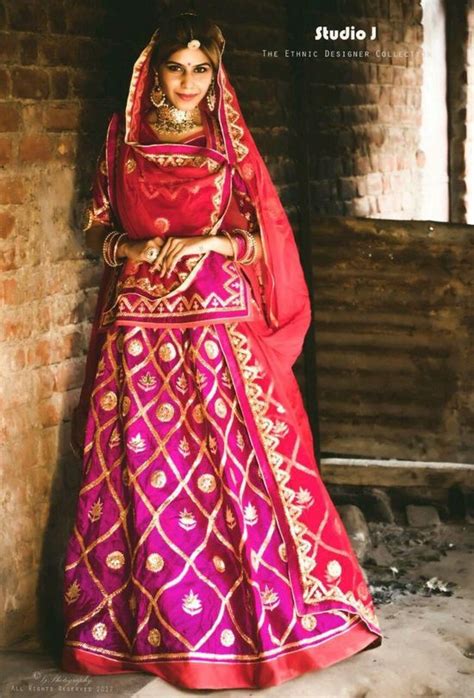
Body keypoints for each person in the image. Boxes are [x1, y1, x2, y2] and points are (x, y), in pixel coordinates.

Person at [61, 11, 382, 690]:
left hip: (215, 324)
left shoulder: (226, 139)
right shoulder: (122, 139)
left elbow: (264, 234)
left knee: (235, 468)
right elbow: (94, 229)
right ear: (152, 74)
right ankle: (158, 632)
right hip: (140, 328)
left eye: (200, 69)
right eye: (176, 68)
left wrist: (209, 243)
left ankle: (259, 623)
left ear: (216, 74)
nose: (187, 82)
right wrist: (132, 248)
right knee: (145, 469)